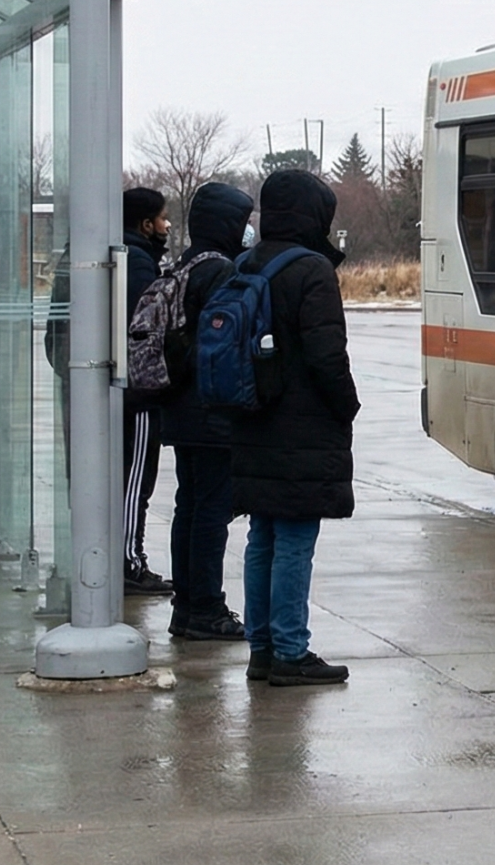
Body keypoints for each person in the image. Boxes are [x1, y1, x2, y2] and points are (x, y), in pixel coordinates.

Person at [231, 170, 361, 686]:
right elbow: (327, 354)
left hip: (251, 418)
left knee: (261, 535)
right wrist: (346, 407)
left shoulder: (246, 263)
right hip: (301, 426)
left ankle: (261, 648)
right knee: (295, 540)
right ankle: (291, 651)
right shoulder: (310, 270)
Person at [158, 181, 255, 642]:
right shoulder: (220, 271)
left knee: (189, 506)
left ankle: (187, 604)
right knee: (212, 511)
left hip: (180, 409)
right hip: (212, 410)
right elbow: (226, 345)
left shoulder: (186, 264)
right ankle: (206, 607)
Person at [120, 187, 172, 596]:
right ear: (145, 223)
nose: (166, 225)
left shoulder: (120, 257)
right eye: (162, 218)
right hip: (136, 396)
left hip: (112, 392)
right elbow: (145, 331)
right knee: (135, 477)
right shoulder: (139, 264)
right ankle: (129, 561)